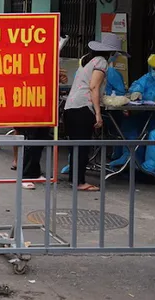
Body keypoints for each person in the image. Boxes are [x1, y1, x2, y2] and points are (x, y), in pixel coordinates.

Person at [63, 33, 128, 191]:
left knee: (75, 146)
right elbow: (94, 87)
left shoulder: (88, 61)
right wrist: (98, 114)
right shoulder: (101, 62)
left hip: (70, 107)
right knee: (83, 146)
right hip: (83, 108)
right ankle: (79, 182)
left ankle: (74, 179)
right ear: (111, 53)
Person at [109, 53, 155, 169]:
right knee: (129, 124)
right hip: (146, 115)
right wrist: (136, 92)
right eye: (154, 69)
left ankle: (148, 168)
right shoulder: (148, 77)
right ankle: (130, 158)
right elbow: (137, 85)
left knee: (154, 135)